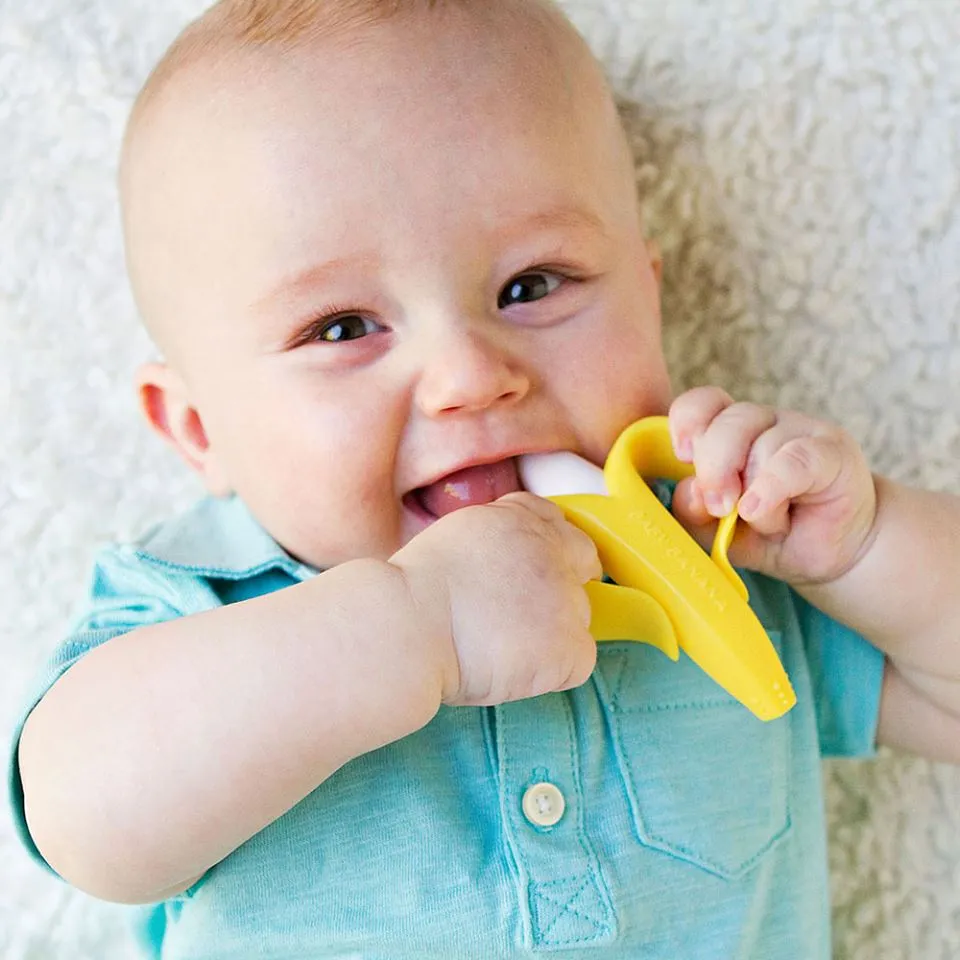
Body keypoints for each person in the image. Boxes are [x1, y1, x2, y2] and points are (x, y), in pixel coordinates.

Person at [9, 0, 960, 957]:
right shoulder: (199, 612)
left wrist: (867, 546)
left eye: (533, 286)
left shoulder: (712, 563)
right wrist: (419, 625)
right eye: (343, 328)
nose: (469, 377)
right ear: (199, 427)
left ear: (650, 296)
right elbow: (80, 821)